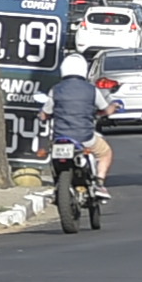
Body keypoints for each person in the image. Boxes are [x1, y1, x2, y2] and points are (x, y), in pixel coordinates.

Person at [46, 53, 113, 186]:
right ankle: (99, 181)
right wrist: (114, 107)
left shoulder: (55, 90)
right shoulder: (92, 90)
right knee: (105, 153)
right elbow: (106, 110)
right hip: (85, 137)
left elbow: (45, 113)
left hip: (59, 138)